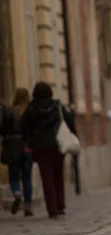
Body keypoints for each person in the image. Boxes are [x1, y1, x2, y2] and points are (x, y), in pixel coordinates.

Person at [20, 82, 75, 218]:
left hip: (41, 147)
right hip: (57, 144)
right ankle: (60, 204)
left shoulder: (32, 108)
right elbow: (69, 121)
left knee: (47, 177)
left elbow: (23, 127)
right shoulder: (57, 106)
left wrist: (27, 141)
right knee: (58, 175)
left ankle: (52, 209)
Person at [0, 88, 33, 216]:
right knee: (27, 177)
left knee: (13, 175)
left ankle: (16, 193)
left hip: (11, 146)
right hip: (26, 146)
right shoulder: (29, 111)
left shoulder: (8, 111)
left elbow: (2, 129)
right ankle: (28, 205)